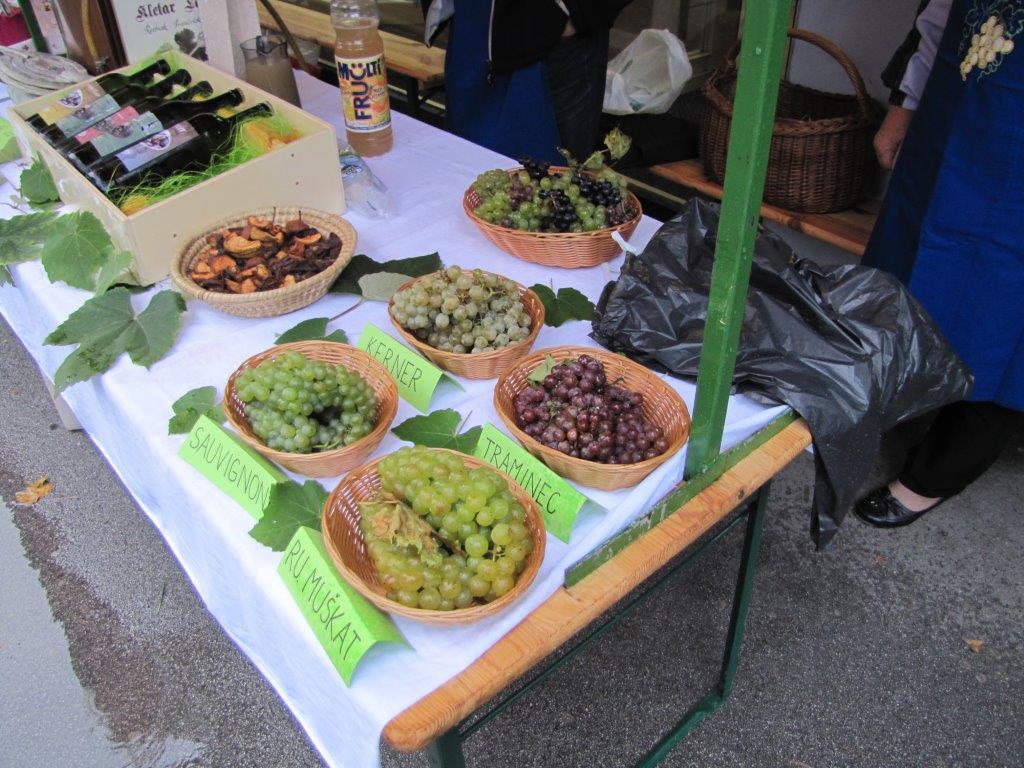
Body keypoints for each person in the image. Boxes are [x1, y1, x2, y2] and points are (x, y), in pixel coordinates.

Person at [855, 0, 1022, 528]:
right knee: (904, 267)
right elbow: (938, 15)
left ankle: (936, 474)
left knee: (1004, 311)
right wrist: (904, 105)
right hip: (951, 118)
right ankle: (869, 406)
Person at [419, 0, 632, 162]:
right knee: (465, 167)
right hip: (472, 31)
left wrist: (575, 10)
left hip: (548, 42)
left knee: (547, 187)